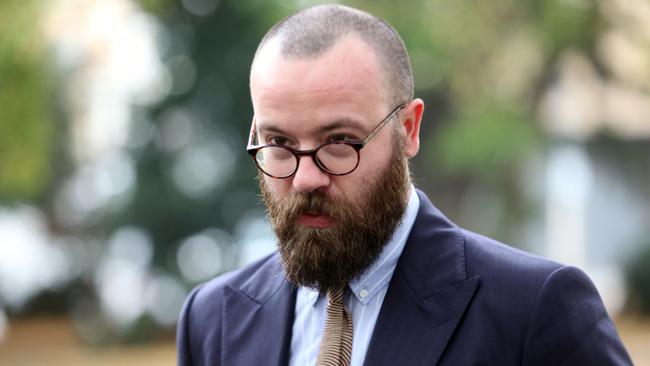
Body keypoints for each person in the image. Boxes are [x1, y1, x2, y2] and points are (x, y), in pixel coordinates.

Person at [177, 4, 632, 365]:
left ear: (409, 130)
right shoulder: (211, 320)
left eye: (340, 142)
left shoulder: (533, 311)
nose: (305, 177)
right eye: (279, 142)